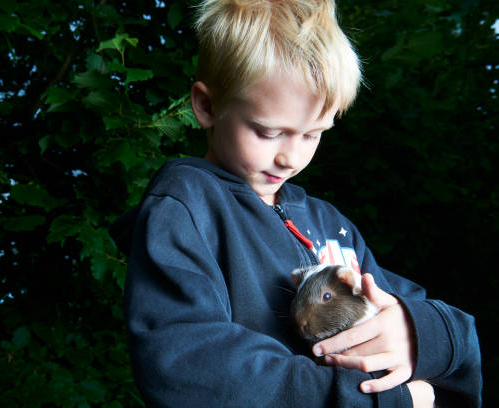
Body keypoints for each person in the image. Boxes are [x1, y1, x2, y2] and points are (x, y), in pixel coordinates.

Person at [110, 0, 482, 406]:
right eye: (269, 133)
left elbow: (444, 330)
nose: (290, 157)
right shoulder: (187, 206)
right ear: (207, 106)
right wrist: (386, 402)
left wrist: (417, 332)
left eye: (312, 135)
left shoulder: (331, 224)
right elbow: (187, 364)